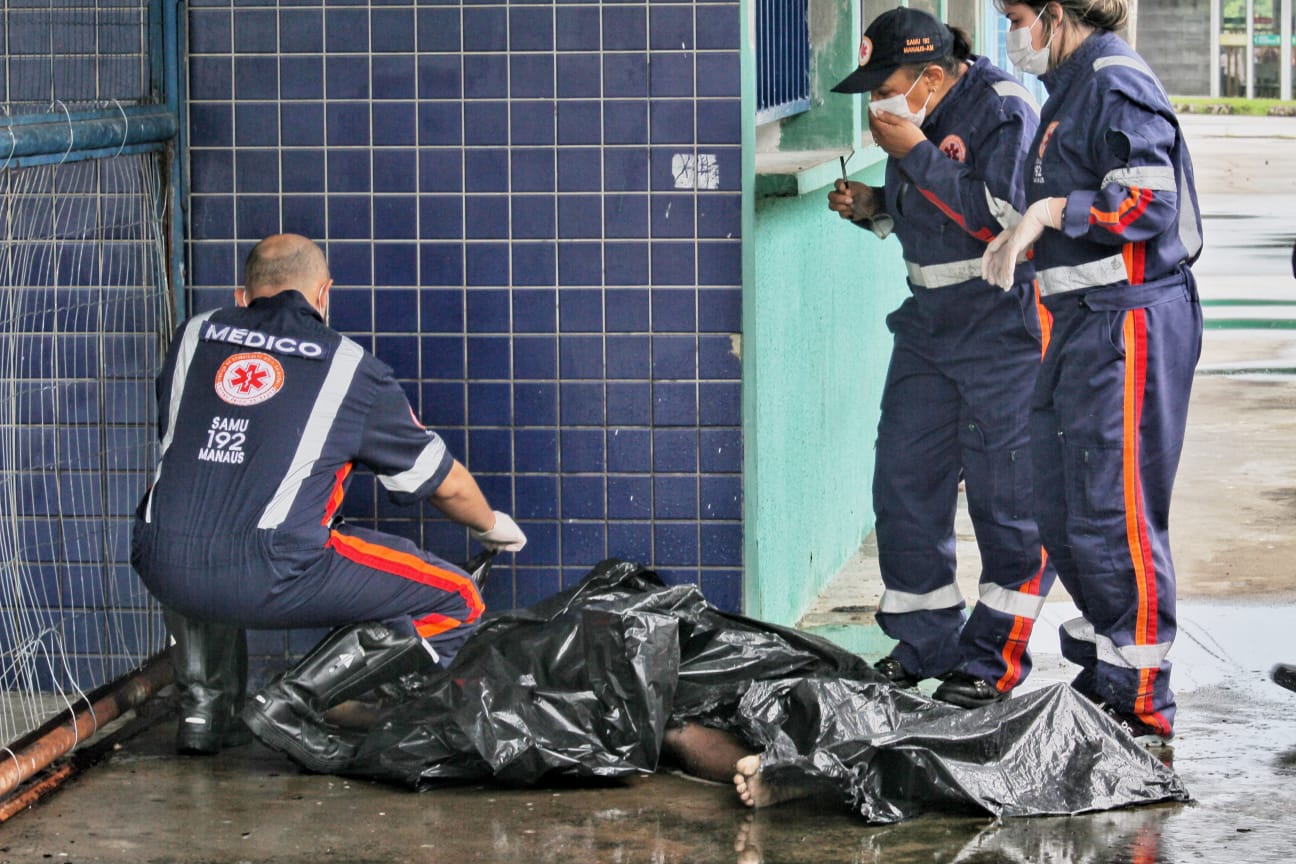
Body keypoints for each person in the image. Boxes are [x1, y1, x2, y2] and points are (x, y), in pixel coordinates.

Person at [133, 233, 527, 769]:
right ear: (324, 295)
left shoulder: (192, 335)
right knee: (459, 599)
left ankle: (204, 710)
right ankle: (292, 702)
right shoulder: (349, 367)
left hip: (159, 559)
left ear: (242, 296)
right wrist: (490, 525)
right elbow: (446, 484)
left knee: (200, 516)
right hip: (272, 568)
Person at [982, 0, 1203, 746]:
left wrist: (1052, 211)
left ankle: (1139, 701)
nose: (1012, 32)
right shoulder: (1069, 87)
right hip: (1082, 324)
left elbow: (1147, 201)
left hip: (1128, 324)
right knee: (1063, 504)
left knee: (1114, 509)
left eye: (1016, 14)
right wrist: (1024, 233)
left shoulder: (1113, 80)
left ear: (1053, 12)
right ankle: (1109, 667)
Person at [827, 8, 1053, 708]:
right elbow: (928, 210)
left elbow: (1004, 220)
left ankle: (992, 660)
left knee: (1006, 503)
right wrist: (874, 204)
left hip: (1000, 331)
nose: (878, 104)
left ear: (931, 74)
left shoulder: (1003, 109)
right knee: (904, 483)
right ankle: (924, 642)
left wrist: (917, 152)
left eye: (885, 86)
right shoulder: (917, 114)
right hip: (927, 328)